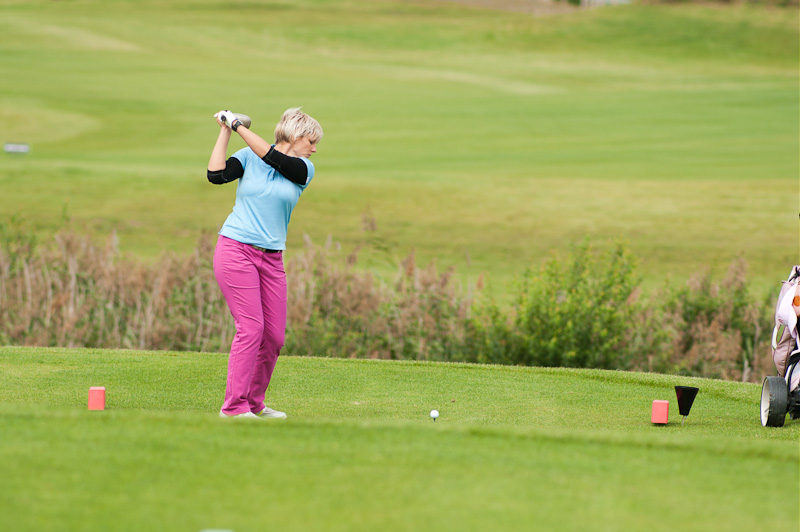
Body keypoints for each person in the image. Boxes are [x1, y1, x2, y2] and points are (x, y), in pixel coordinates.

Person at [207, 108, 323, 419]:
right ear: (295, 136)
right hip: (236, 250)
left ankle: (253, 403)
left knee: (273, 337)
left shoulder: (304, 169)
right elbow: (216, 175)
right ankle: (234, 407)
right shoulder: (248, 156)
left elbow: (273, 158)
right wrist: (226, 130)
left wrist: (238, 125)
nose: (314, 149)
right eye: (311, 141)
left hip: (272, 259)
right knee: (251, 328)